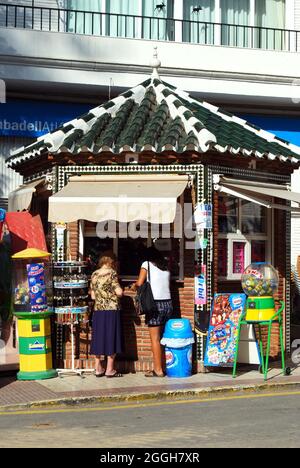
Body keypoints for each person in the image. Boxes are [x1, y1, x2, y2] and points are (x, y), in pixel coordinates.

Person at [133, 246, 173, 377]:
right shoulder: (165, 267)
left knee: (155, 339)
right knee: (163, 338)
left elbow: (139, 283)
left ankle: (158, 370)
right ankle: (165, 367)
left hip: (154, 305)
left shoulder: (146, 264)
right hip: (168, 304)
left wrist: (134, 286)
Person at [90, 251, 123, 378]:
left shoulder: (94, 274)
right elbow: (118, 292)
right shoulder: (112, 273)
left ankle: (98, 368)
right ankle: (110, 369)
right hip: (111, 309)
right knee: (111, 337)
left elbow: (93, 296)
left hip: (98, 310)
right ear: (111, 262)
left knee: (98, 337)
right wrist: (121, 292)